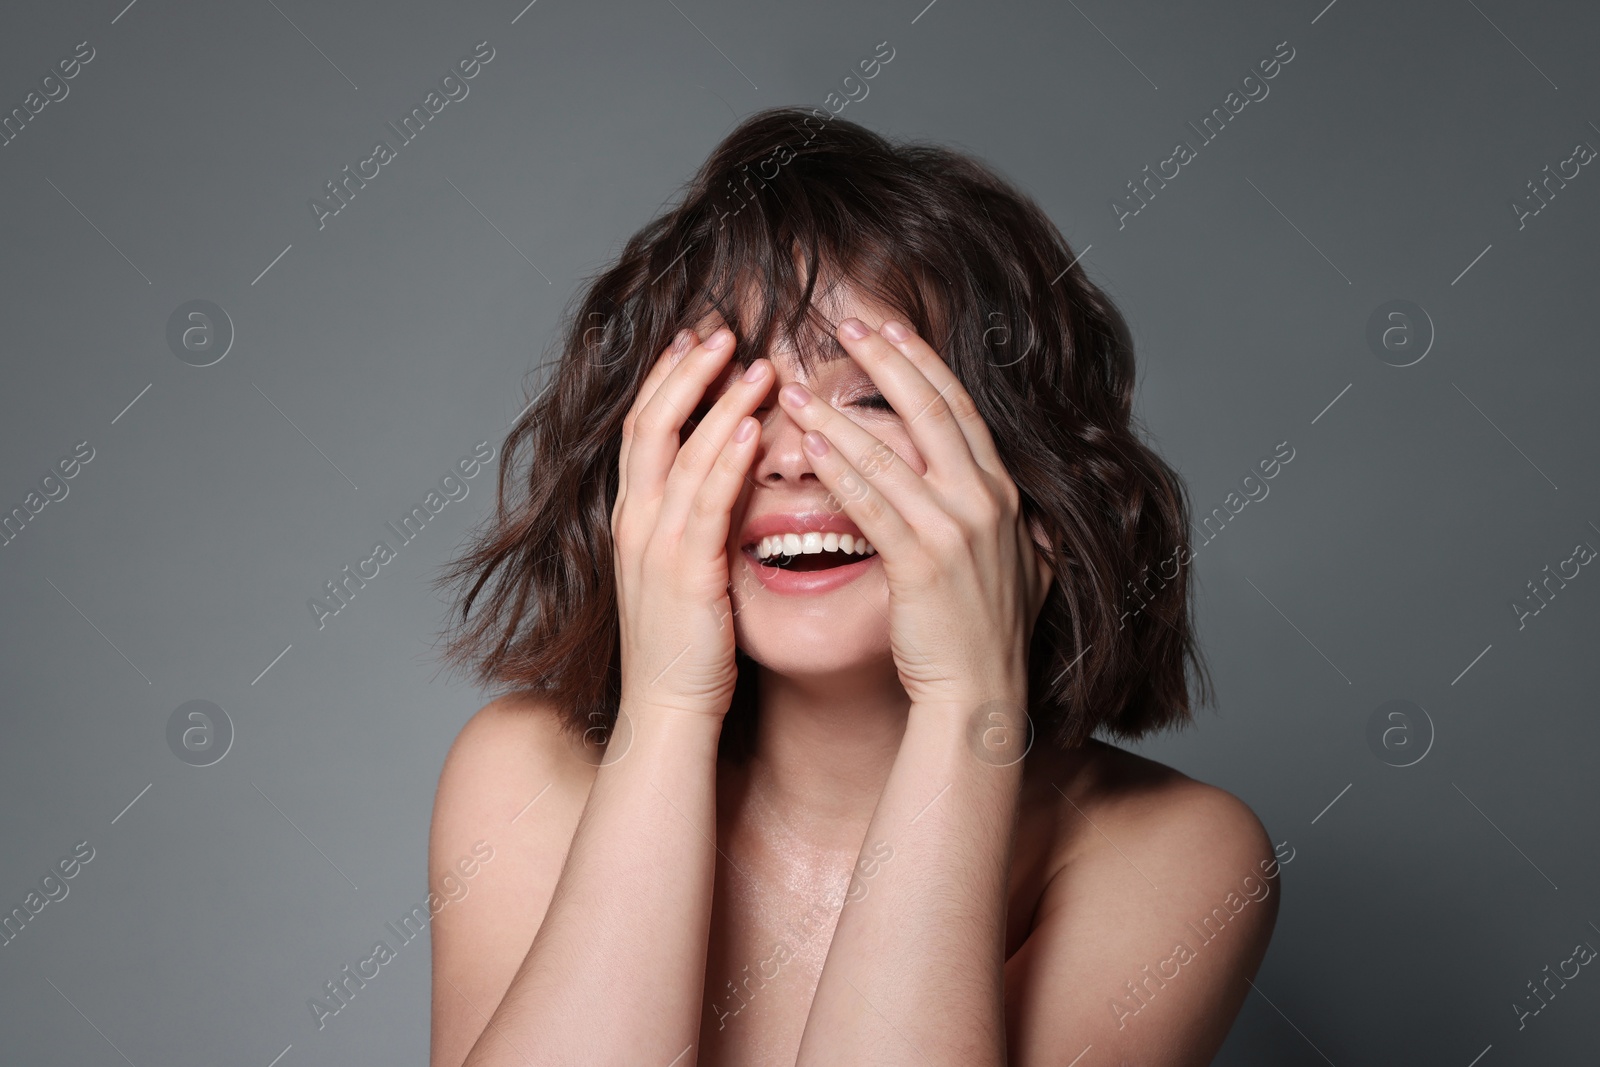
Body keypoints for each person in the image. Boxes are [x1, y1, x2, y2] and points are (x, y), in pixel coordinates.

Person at [426, 106, 1279, 1067]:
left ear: (1024, 467)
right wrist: (665, 708)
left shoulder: (1177, 856)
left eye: (871, 395)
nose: (793, 458)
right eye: (729, 399)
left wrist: (969, 708)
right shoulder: (523, 776)